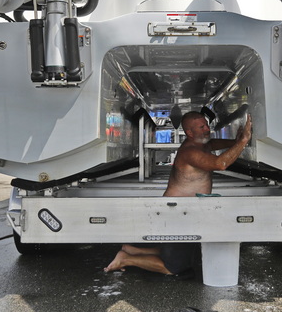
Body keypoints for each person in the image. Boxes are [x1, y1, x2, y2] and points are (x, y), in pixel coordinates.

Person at [104, 111, 252, 275]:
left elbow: (213, 143)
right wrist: (243, 140)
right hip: (177, 212)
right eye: (201, 127)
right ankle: (125, 258)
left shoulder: (202, 144)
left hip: (186, 211)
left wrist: (235, 142)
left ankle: (130, 249)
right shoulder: (191, 152)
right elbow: (220, 164)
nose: (207, 129)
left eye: (206, 125)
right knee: (173, 267)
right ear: (189, 133)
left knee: (181, 253)